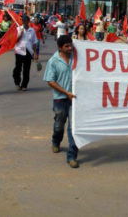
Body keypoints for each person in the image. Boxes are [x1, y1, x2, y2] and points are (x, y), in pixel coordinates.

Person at [43, 35, 79, 168]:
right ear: (60, 48)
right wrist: (66, 93)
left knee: (73, 128)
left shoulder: (77, 57)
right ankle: (56, 141)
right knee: (59, 124)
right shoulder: (54, 61)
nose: (70, 48)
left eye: (71, 45)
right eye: (67, 46)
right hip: (60, 98)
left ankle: (72, 156)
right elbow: (50, 81)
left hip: (75, 98)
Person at [13, 16, 38, 91]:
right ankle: (17, 83)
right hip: (19, 51)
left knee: (26, 69)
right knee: (18, 68)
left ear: (28, 21)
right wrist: (20, 34)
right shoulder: (18, 29)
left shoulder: (32, 30)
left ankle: (24, 85)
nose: (24, 22)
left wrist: (35, 53)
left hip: (28, 51)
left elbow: (34, 42)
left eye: (26, 20)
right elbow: (14, 41)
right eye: (23, 20)